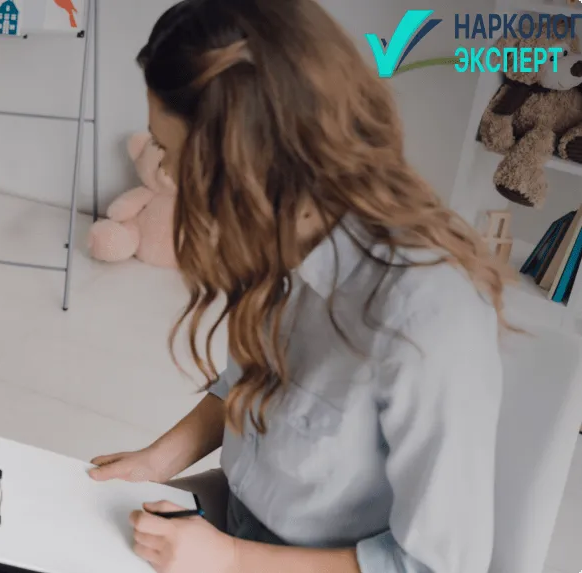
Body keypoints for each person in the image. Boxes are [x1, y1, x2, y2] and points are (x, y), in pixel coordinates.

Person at [87, 1, 516, 572]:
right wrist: (155, 462)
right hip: (235, 520)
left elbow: (434, 567)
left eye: (171, 151)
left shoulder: (427, 314)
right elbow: (247, 383)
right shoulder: (282, 232)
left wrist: (231, 559)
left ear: (242, 159)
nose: (164, 175)